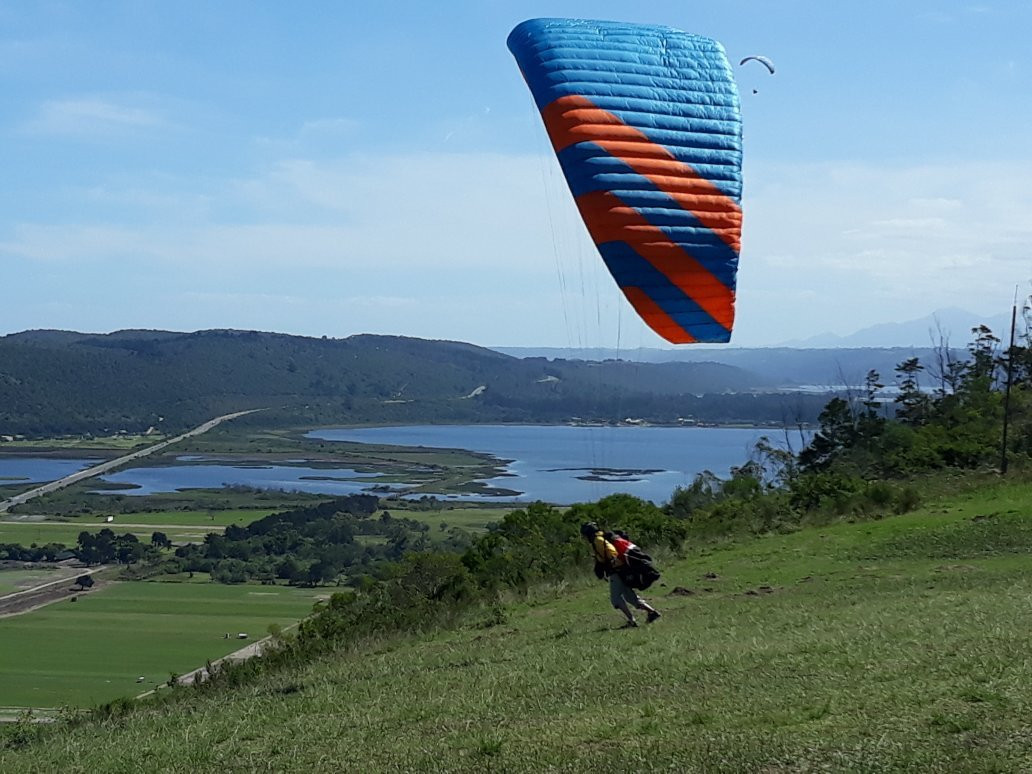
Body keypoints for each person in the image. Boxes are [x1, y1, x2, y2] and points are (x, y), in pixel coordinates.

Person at [580, 522, 661, 628]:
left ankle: (632, 621)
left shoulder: (597, 540)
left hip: (616, 571)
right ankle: (652, 613)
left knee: (616, 599)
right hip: (622, 570)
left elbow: (611, 553)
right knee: (629, 597)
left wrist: (606, 565)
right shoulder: (603, 537)